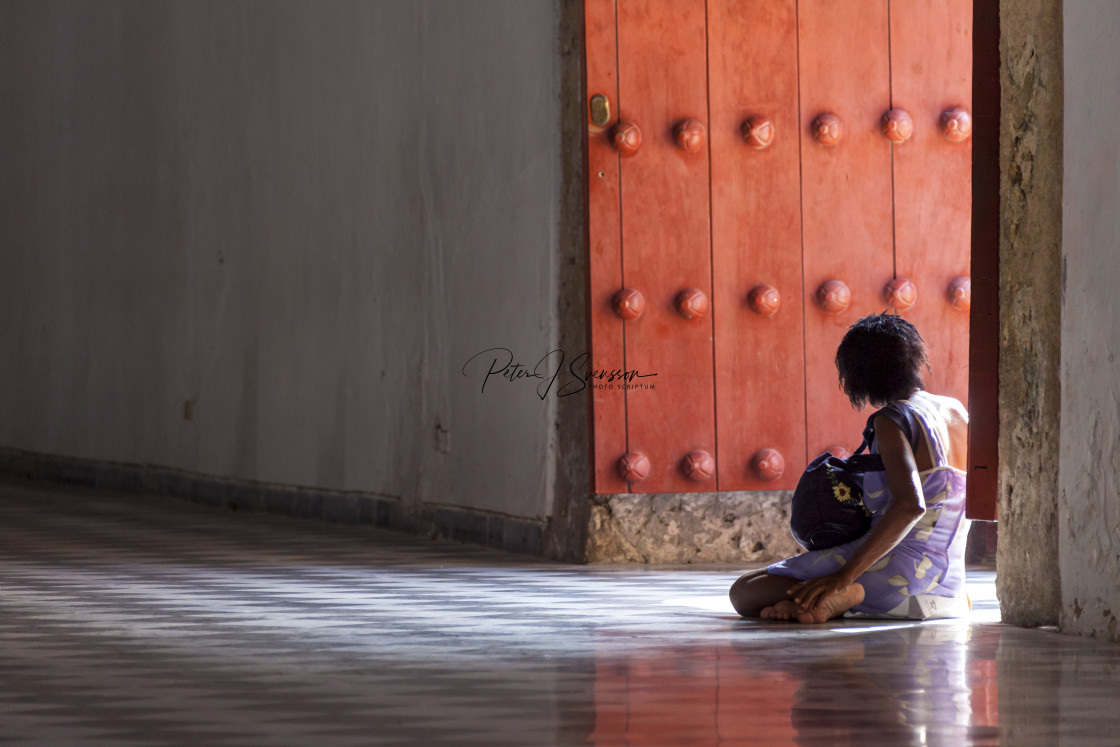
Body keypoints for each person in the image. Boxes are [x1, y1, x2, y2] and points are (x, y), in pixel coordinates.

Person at [729, 313, 971, 623]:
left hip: (896, 573)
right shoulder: (956, 411)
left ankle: (846, 594)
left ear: (861, 375)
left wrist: (842, 576)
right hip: (947, 582)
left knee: (746, 591)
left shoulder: (893, 418)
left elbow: (910, 506)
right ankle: (825, 603)